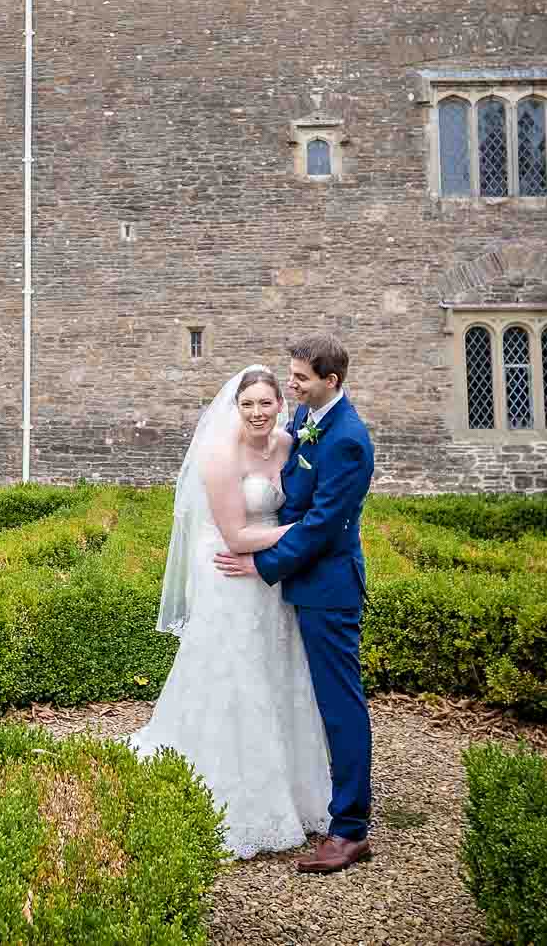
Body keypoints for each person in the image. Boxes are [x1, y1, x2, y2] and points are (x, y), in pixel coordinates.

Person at [128, 364, 333, 858]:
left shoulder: (289, 444)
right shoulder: (219, 455)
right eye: (249, 404)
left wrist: (291, 543)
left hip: (272, 575)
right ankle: (233, 792)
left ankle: (295, 786)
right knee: (237, 675)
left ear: (281, 405)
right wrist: (305, 535)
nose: (258, 413)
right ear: (235, 408)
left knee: (279, 670)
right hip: (231, 571)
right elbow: (237, 536)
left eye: (266, 403)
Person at [214, 335, 375, 874]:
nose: (293, 384)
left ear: (331, 381)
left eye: (301, 378)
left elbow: (325, 526)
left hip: (328, 589)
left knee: (339, 704)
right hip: (304, 583)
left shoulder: (347, 438)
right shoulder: (312, 423)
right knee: (310, 701)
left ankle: (350, 829)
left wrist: (262, 565)